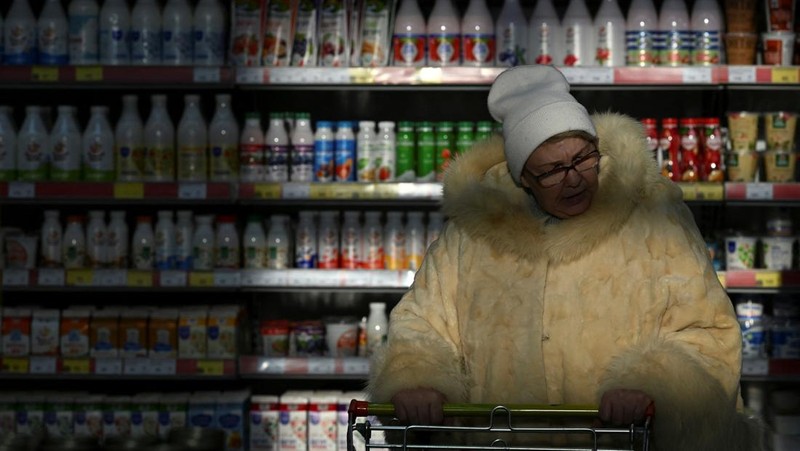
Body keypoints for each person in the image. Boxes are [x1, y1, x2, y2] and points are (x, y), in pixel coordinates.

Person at [366, 65, 764, 450]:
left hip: (622, 445)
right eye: (553, 170)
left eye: (583, 158)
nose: (574, 178)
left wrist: (653, 385)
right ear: (523, 177)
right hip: (501, 444)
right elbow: (423, 324)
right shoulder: (474, 231)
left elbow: (706, 328)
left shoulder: (652, 214)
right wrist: (417, 378)